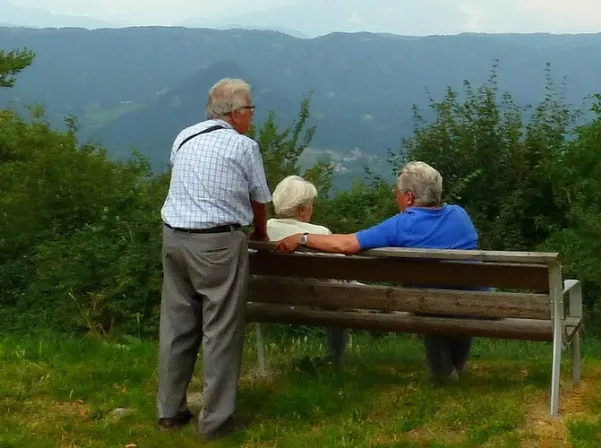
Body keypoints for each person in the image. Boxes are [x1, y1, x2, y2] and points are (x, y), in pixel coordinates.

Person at [275, 161, 479, 379]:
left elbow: (346, 245)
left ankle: (445, 376)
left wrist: (303, 237)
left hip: (428, 305)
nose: (395, 197)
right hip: (473, 303)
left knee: (428, 302)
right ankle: (452, 370)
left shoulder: (401, 225)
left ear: (409, 197)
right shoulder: (460, 215)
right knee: (444, 299)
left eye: (397, 193)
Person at [157, 77, 272, 439]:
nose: (252, 114)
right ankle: (216, 422)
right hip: (218, 244)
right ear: (236, 113)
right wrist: (261, 233)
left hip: (173, 238)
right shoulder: (243, 146)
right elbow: (259, 200)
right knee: (220, 331)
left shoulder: (184, 136)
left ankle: (170, 411)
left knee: (177, 327)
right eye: (250, 108)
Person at [266, 175, 349, 366]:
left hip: (270, 296)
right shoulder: (319, 233)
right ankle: (336, 361)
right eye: (311, 205)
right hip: (319, 298)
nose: (313, 209)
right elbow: (339, 270)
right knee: (343, 296)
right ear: (302, 210)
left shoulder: (265, 229)